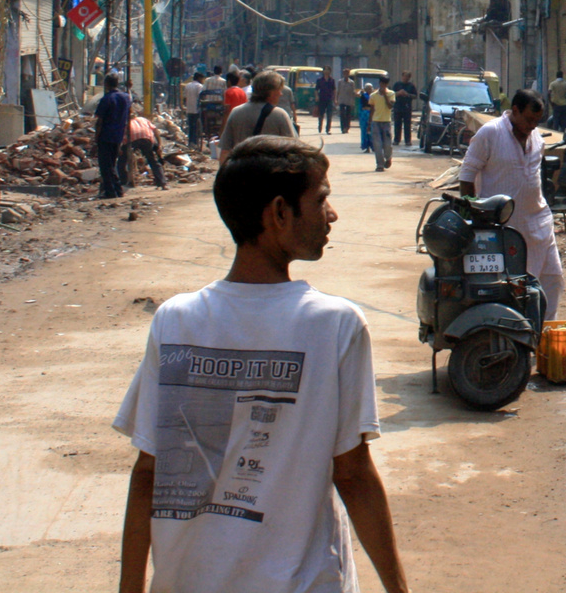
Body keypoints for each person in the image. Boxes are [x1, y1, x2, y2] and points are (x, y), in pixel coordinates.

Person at [114, 136, 410, 593]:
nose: (331, 215)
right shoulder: (334, 326)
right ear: (278, 213)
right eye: (321, 200)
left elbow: (148, 473)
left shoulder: (176, 320)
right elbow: (352, 475)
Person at [458, 89, 563, 321]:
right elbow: (466, 177)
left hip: (539, 222)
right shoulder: (490, 133)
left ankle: (544, 338)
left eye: (537, 121)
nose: (533, 125)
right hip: (505, 228)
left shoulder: (536, 138)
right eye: (528, 119)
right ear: (514, 111)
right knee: (516, 290)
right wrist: (472, 216)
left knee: (552, 280)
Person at [217, 70, 297, 165]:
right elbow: (293, 149)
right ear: (270, 92)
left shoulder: (236, 112)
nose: (281, 94)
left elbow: (225, 151)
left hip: (240, 173)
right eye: (279, 90)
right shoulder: (279, 114)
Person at [95, 73, 131, 199]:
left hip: (106, 135)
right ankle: (118, 190)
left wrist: (96, 136)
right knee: (111, 164)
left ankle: (111, 192)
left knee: (106, 166)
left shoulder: (106, 99)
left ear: (106, 84)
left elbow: (100, 120)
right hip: (118, 136)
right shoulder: (125, 97)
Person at [119, 112, 167, 190]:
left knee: (122, 160)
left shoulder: (125, 123)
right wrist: (159, 145)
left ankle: (123, 182)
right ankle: (162, 182)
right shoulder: (143, 119)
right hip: (147, 139)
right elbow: (155, 130)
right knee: (152, 160)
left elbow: (121, 136)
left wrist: (120, 149)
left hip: (132, 140)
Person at [370, 77, 394, 172]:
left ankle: (388, 158)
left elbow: (390, 106)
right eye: (382, 84)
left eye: (385, 84)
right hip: (376, 122)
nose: (383, 86)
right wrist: (369, 123)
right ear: (379, 83)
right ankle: (379, 164)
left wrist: (385, 95)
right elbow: (372, 109)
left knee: (387, 144)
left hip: (386, 122)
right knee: (377, 144)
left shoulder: (391, 94)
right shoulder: (373, 95)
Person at [391, 71, 418, 147]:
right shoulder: (397, 85)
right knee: (397, 124)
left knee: (407, 125)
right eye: (404, 76)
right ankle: (396, 140)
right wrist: (398, 93)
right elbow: (391, 94)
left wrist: (407, 95)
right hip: (398, 107)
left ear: (409, 78)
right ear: (402, 76)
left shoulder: (411, 86)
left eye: (407, 77)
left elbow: (415, 96)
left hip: (407, 108)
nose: (405, 78)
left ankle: (408, 141)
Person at [182, 71, 204, 147]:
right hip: (196, 109)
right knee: (196, 127)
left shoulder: (187, 86)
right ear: (199, 78)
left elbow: (184, 97)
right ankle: (194, 142)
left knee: (191, 126)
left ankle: (190, 142)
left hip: (189, 109)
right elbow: (201, 97)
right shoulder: (199, 86)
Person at [335, 69, 358, 134]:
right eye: (345, 73)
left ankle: (347, 127)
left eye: (347, 73)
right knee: (342, 114)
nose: (346, 75)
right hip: (342, 100)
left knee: (348, 115)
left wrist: (355, 96)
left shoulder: (351, 82)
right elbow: (338, 91)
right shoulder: (340, 82)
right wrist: (336, 100)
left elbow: (353, 91)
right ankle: (343, 128)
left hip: (349, 101)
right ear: (343, 74)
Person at [314, 67, 336, 134]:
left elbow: (334, 90)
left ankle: (328, 129)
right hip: (321, 99)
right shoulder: (320, 80)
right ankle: (320, 127)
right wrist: (317, 96)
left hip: (329, 99)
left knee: (329, 115)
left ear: (330, 71)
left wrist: (335, 99)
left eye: (328, 70)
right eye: (325, 70)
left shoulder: (332, 80)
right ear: (323, 71)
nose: (326, 71)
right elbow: (316, 89)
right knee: (321, 114)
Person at [358, 84, 374, 152]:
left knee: (372, 132)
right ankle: (367, 147)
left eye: (371, 88)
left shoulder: (374, 96)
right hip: (365, 115)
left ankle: (374, 147)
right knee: (365, 131)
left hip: (372, 114)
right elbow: (361, 106)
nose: (370, 90)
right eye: (368, 88)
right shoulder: (363, 96)